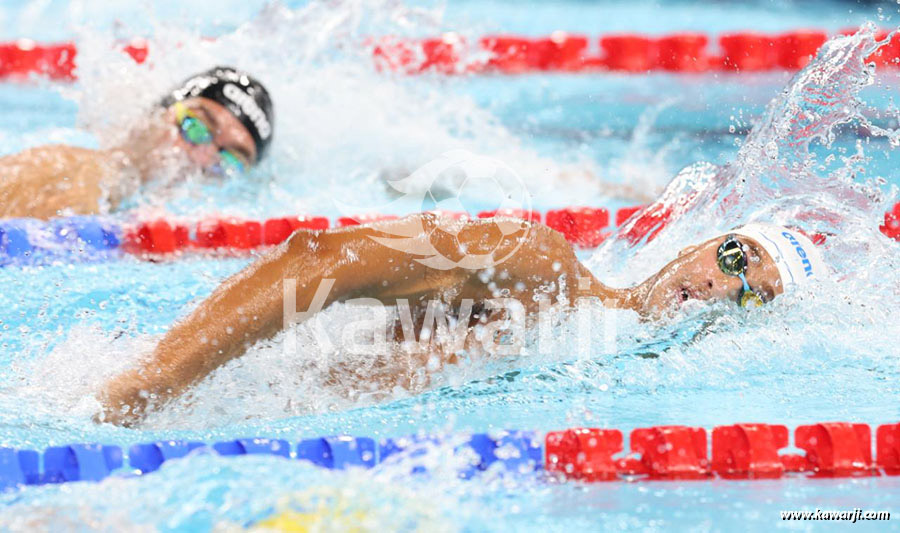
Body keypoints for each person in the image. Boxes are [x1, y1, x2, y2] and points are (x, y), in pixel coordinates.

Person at [98, 213, 826, 426]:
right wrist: (153, 379)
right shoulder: (545, 270)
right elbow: (327, 257)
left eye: (754, 293)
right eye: (736, 255)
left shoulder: (640, 396)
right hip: (173, 419)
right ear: (704, 239)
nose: (720, 286)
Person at [0, 66, 274, 220]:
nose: (203, 158)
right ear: (157, 114)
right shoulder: (74, 171)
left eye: (228, 159)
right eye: (195, 127)